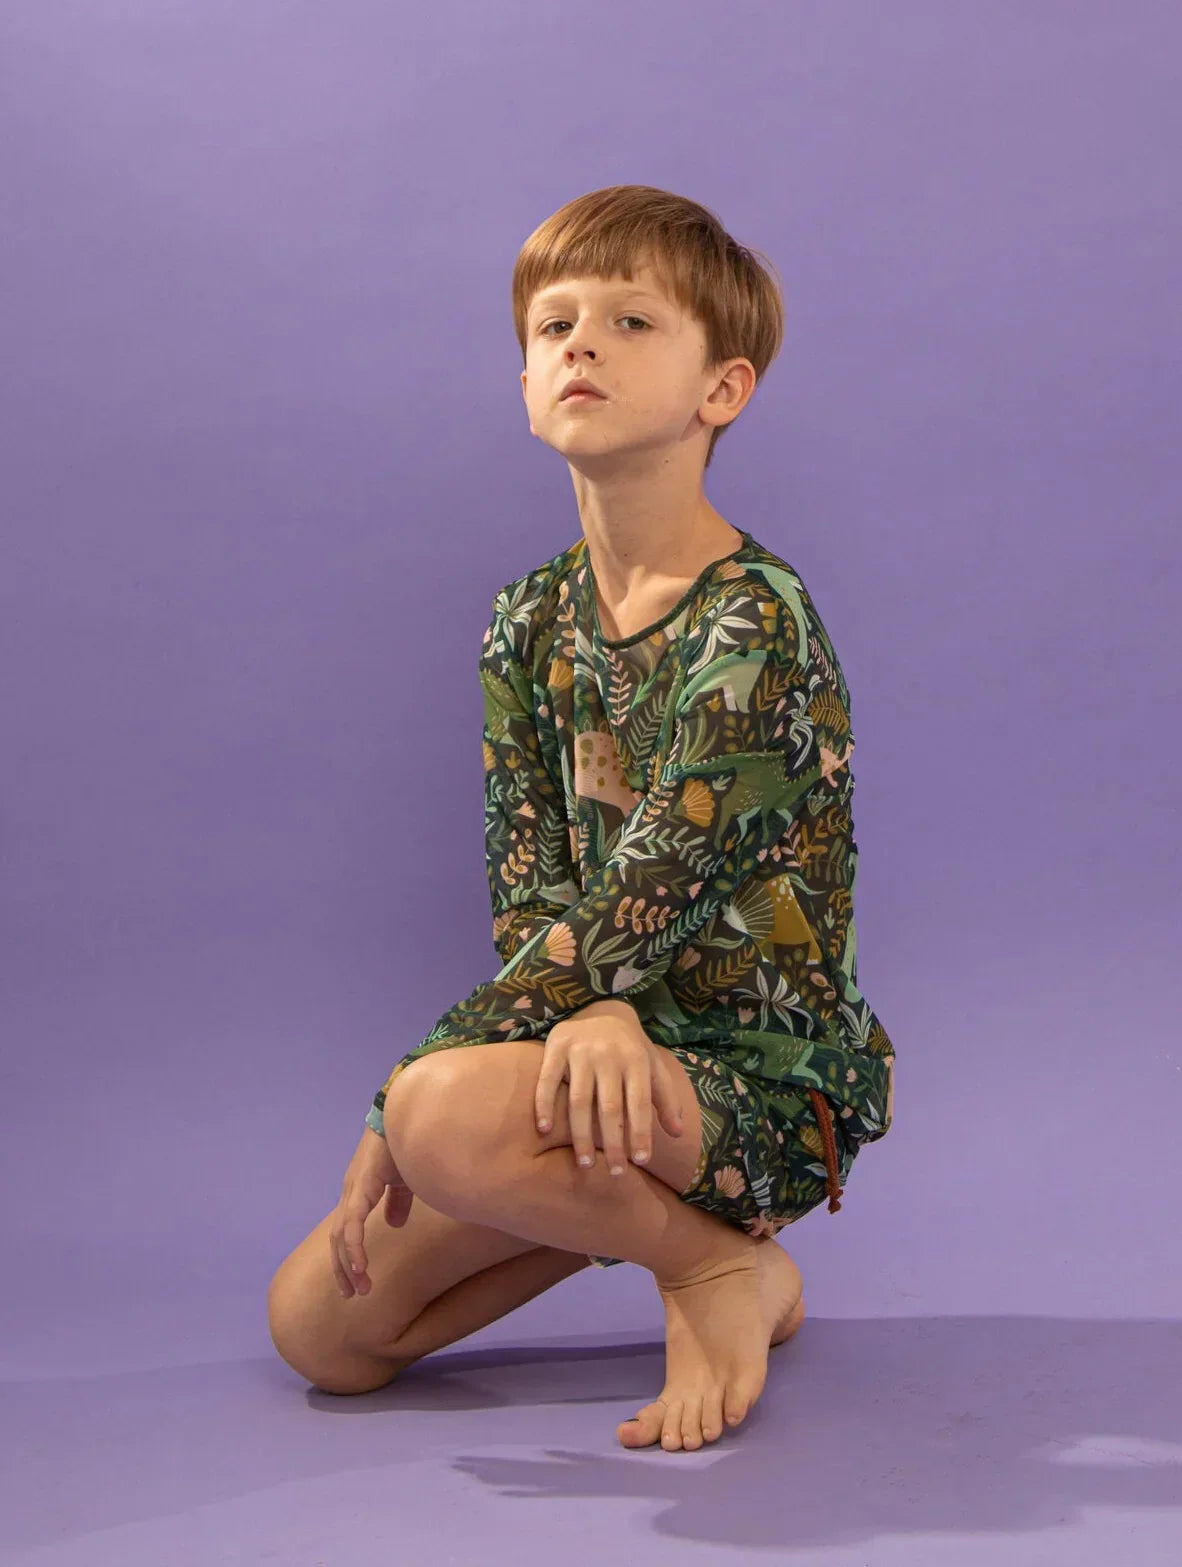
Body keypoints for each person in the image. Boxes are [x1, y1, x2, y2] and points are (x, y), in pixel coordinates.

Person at [268, 183, 896, 1453]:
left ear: (722, 390)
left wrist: (395, 1095)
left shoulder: (754, 625)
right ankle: (707, 1249)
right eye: (553, 325)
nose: (581, 346)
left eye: (629, 321)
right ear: (524, 380)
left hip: (759, 1084)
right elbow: (534, 887)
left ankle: (705, 1261)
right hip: (589, 1054)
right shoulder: (527, 621)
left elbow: (644, 897)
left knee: (436, 1113)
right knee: (323, 1334)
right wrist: (594, 1011)